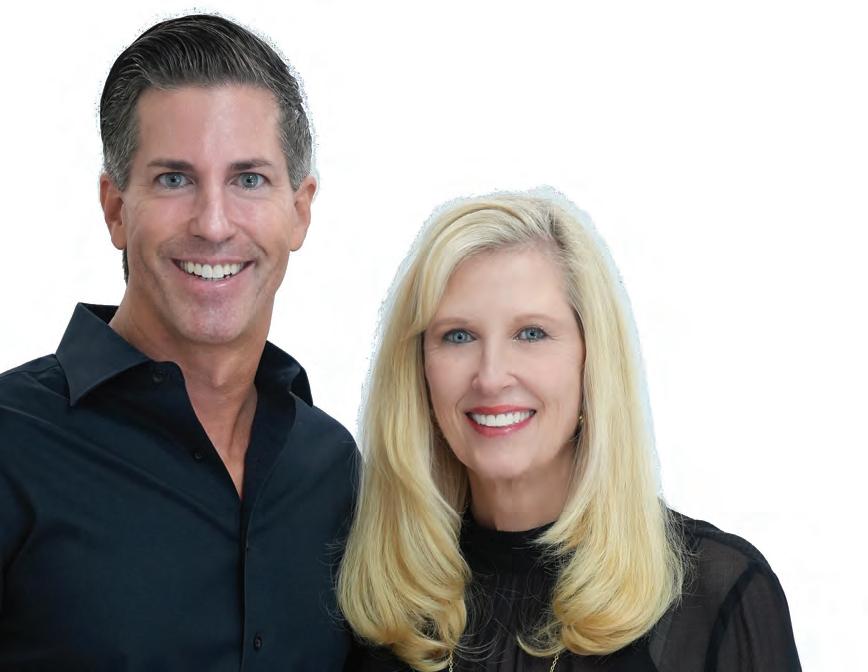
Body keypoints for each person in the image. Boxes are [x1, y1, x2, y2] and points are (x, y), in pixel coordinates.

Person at [0, 14, 357, 671]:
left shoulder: (331, 468)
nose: (214, 224)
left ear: (300, 210)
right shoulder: (10, 442)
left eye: (249, 179)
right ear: (115, 208)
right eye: (174, 179)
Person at [339, 190, 801, 671]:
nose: (491, 376)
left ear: (591, 359)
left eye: (531, 333)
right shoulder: (372, 599)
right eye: (458, 335)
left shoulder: (717, 595)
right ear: (418, 369)